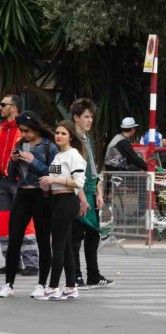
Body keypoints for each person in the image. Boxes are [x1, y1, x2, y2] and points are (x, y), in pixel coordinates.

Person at [0, 111, 58, 298]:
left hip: (41, 195)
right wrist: (14, 161)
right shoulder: (20, 144)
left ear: (35, 128)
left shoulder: (49, 146)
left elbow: (54, 172)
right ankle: (9, 283)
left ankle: (42, 283)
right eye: (21, 131)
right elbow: (11, 172)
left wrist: (33, 161)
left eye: (26, 131)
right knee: (14, 236)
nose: (23, 134)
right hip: (22, 193)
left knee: (43, 239)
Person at [36, 120, 87, 301]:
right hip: (56, 200)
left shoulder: (74, 155)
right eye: (57, 132)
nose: (59, 136)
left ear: (70, 136)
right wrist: (47, 182)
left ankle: (53, 287)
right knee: (65, 247)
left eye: (63, 133)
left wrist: (53, 181)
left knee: (57, 245)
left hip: (67, 201)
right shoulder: (58, 156)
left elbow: (79, 182)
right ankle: (71, 287)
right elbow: (55, 177)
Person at [70, 98, 114, 289]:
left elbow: (93, 169)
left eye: (91, 117)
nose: (89, 121)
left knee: (93, 235)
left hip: (90, 191)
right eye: (86, 117)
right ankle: (76, 275)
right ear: (76, 117)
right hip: (77, 192)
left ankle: (93, 275)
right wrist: (80, 195)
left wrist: (98, 193)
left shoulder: (88, 138)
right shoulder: (72, 140)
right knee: (76, 236)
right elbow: (73, 171)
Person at [0, 95, 40, 276]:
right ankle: (11, 262)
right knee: (3, 221)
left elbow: (30, 154)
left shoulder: (23, 130)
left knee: (26, 221)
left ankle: (31, 263)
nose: (0, 107)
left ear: (13, 108)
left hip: (19, 181)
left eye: (3, 104)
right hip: (2, 181)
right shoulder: (1, 128)